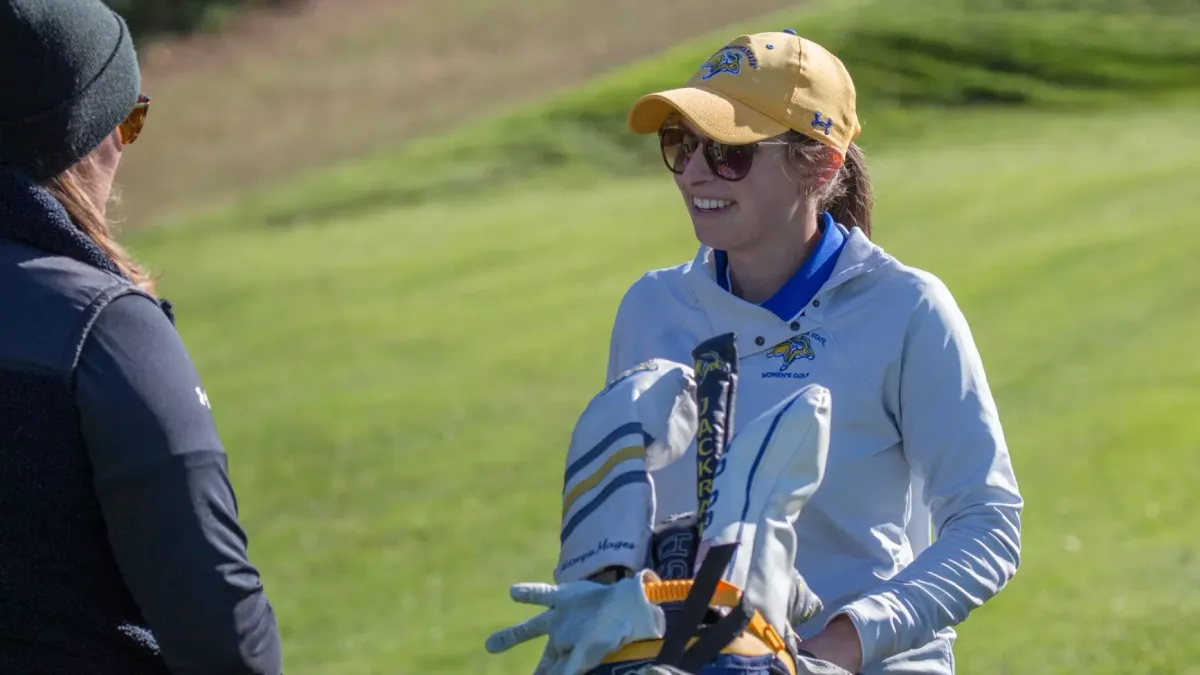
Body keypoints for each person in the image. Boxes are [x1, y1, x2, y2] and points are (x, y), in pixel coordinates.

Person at [603, 29, 1025, 674]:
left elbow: (987, 525)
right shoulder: (650, 310)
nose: (692, 172)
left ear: (822, 165)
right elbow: (627, 521)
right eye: (680, 144)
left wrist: (838, 648)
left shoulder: (906, 307)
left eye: (727, 152)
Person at [0, 1, 283, 673]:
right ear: (77, 141)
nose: (126, 145)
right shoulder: (100, 328)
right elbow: (229, 646)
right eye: (130, 118)